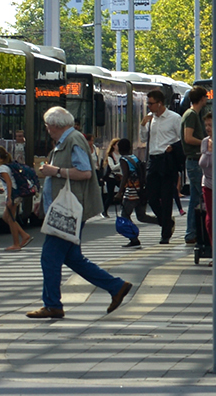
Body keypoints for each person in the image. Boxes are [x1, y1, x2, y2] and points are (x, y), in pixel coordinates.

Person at [27, 106, 135, 320]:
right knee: (73, 258)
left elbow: (84, 172)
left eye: (48, 126)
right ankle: (116, 286)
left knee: (49, 257)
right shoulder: (69, 140)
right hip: (64, 208)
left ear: (55, 125)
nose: (47, 129)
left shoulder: (73, 140)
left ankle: (52, 305)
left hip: (69, 211)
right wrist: (43, 200)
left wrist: (54, 171)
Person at [135, 91, 181, 245]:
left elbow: (181, 139)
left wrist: (172, 147)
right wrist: (143, 124)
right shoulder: (150, 119)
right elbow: (143, 138)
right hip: (153, 159)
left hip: (167, 159)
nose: (149, 106)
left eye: (151, 103)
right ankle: (166, 222)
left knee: (167, 197)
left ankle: (165, 234)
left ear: (160, 103)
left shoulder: (174, 118)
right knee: (152, 197)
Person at [181, 87, 210, 224]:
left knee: (195, 197)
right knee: (200, 196)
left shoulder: (191, 114)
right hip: (194, 159)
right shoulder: (191, 115)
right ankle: (194, 231)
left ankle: (192, 232)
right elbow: (188, 138)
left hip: (193, 160)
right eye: (206, 97)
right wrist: (206, 143)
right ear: (202, 98)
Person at [0, 147, 30, 251]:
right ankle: (24, 234)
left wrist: (9, 197)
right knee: (6, 217)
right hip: (15, 193)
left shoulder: (2, 168)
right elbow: (9, 182)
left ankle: (16, 244)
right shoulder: (6, 167)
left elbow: (9, 183)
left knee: (11, 219)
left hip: (13, 195)